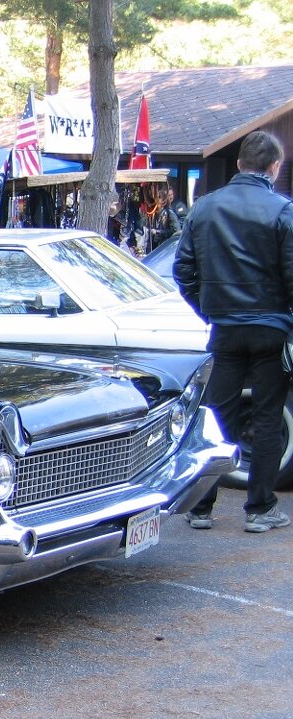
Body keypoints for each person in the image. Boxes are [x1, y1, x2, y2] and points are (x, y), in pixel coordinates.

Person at [173, 130, 293, 533]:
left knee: (216, 418)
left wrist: (209, 311)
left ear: (240, 164)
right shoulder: (281, 210)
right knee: (267, 416)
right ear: (274, 168)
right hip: (270, 328)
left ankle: (201, 507)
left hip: (224, 327)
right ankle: (259, 510)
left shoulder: (204, 208)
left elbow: (183, 271)